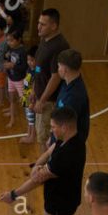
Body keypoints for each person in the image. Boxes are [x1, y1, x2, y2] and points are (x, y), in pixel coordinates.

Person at [32, 8, 70, 149]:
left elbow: (55, 77)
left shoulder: (59, 46)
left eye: (43, 24)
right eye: (38, 23)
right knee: (41, 135)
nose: (38, 27)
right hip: (40, 94)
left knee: (46, 138)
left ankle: (46, 167)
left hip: (49, 101)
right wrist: (33, 90)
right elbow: (39, 69)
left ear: (54, 26)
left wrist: (42, 100)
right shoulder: (44, 40)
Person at [55, 48, 90, 143]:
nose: (58, 69)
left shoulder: (74, 97)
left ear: (65, 69)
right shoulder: (67, 82)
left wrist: (54, 144)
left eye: (59, 66)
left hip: (67, 144)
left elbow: (67, 129)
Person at [2, 26, 27, 125]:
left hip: (20, 80)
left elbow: (24, 67)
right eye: (8, 40)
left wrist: (13, 66)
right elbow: (9, 61)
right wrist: (7, 68)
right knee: (12, 99)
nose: (9, 43)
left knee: (25, 102)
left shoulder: (23, 52)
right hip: (11, 78)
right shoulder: (11, 49)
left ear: (19, 40)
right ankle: (12, 119)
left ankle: (29, 121)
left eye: (11, 40)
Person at [20, 46, 38, 142]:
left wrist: (32, 102)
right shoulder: (29, 69)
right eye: (28, 59)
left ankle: (32, 136)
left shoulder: (37, 71)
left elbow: (35, 85)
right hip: (26, 97)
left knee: (32, 120)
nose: (29, 62)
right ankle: (29, 134)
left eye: (32, 60)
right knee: (29, 119)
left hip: (31, 99)